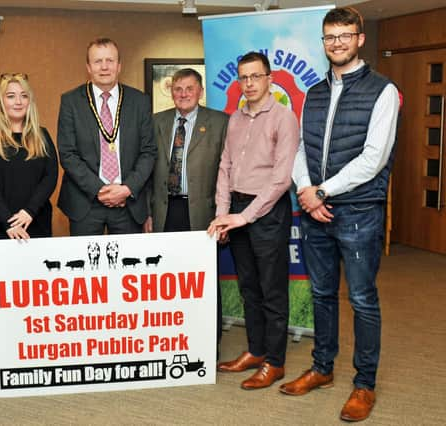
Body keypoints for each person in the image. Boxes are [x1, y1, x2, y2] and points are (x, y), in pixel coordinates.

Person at [279, 7, 400, 422]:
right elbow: (300, 150)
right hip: (315, 211)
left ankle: (364, 385)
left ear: (360, 38)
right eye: (330, 36)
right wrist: (306, 191)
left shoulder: (383, 91)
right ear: (323, 40)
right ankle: (322, 369)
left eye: (345, 35)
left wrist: (323, 191)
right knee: (322, 294)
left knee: (363, 300)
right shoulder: (312, 92)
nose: (337, 43)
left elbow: (374, 158)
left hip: (359, 213)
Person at [207, 52, 299, 390]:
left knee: (272, 290)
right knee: (248, 287)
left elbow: (281, 179)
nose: (248, 83)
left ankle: (275, 362)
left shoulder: (284, 118)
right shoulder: (235, 119)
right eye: (243, 77)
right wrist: (222, 213)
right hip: (236, 210)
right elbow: (225, 166)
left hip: (267, 212)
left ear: (269, 79)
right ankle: (256, 351)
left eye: (255, 76)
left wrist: (244, 216)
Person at [57, 37, 156, 236]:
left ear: (119, 66)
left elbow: (148, 152)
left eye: (110, 61)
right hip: (85, 202)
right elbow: (68, 154)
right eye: (98, 61)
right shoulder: (71, 101)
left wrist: (127, 188)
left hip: (128, 203)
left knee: (129, 265)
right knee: (85, 265)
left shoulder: (140, 101)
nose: (104, 67)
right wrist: (100, 190)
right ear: (88, 66)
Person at [0, 72, 58, 261]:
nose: (18, 102)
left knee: (36, 288)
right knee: (1, 290)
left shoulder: (42, 135)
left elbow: (50, 176)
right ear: (1, 102)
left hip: (35, 225)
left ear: (30, 101)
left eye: (24, 95)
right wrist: (8, 222)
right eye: (11, 96)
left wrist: (30, 211)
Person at [144, 68, 228, 233]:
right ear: (172, 92)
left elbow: (227, 172)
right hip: (163, 211)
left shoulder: (220, 122)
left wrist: (223, 216)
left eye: (190, 89)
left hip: (204, 213)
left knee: (199, 260)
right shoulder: (155, 122)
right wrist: (147, 213)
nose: (184, 94)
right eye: (178, 89)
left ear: (201, 92)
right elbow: (147, 172)